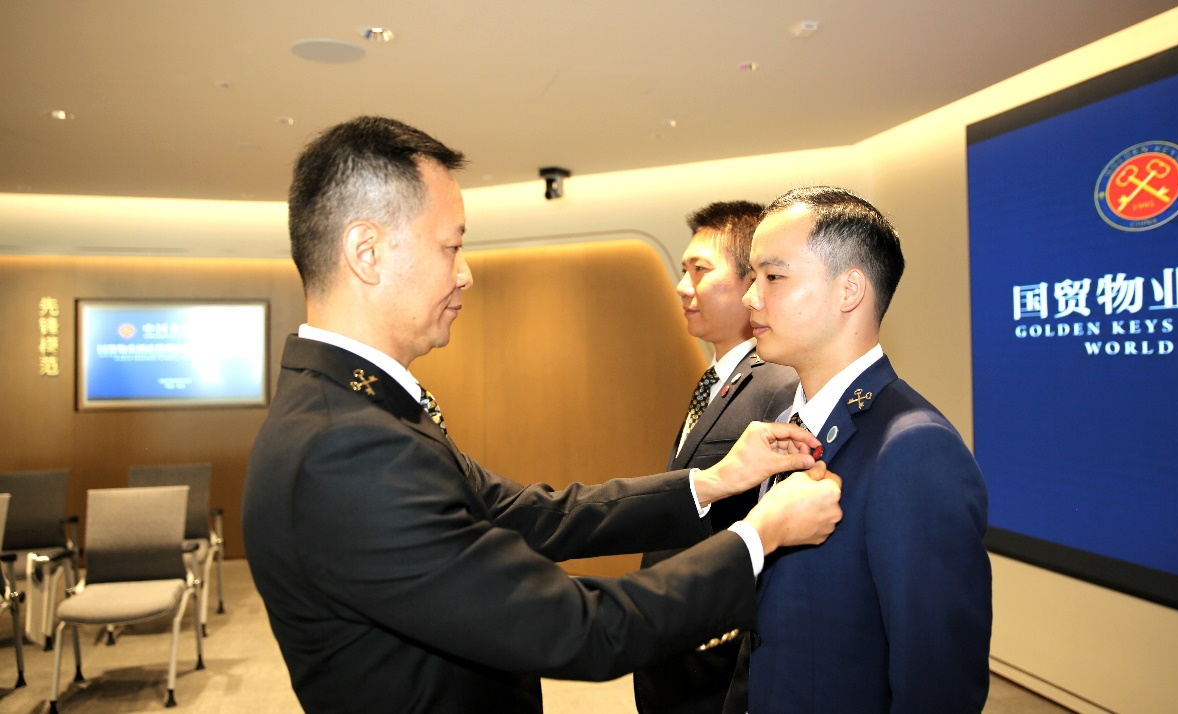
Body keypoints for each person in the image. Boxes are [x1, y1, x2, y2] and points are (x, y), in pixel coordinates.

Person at [241, 116, 844, 714]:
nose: (464, 274)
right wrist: (759, 535)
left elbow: (530, 514)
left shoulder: (359, 412)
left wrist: (712, 481)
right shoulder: (346, 447)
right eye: (451, 246)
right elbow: (580, 630)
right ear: (367, 253)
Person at [732, 186, 992, 713]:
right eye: (752, 276)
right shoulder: (783, 420)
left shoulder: (914, 448)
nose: (750, 298)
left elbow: (938, 681)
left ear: (849, 290)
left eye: (773, 277)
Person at [634, 201, 798, 714]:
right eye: (683, 270)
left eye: (700, 270)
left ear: (752, 282)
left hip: (718, 653)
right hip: (678, 635)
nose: (682, 287)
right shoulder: (719, 380)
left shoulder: (779, 384)